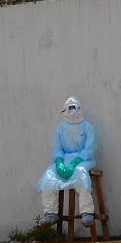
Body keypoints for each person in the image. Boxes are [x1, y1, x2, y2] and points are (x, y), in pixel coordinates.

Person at [38, 97, 98, 228]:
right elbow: (56, 148)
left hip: (83, 160)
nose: (72, 111)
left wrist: (75, 162)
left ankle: (87, 212)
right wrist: (59, 162)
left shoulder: (88, 127)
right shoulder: (60, 129)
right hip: (64, 160)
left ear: (79, 109)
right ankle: (50, 213)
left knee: (81, 175)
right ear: (64, 110)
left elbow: (90, 149)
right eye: (69, 108)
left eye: (74, 107)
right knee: (49, 176)